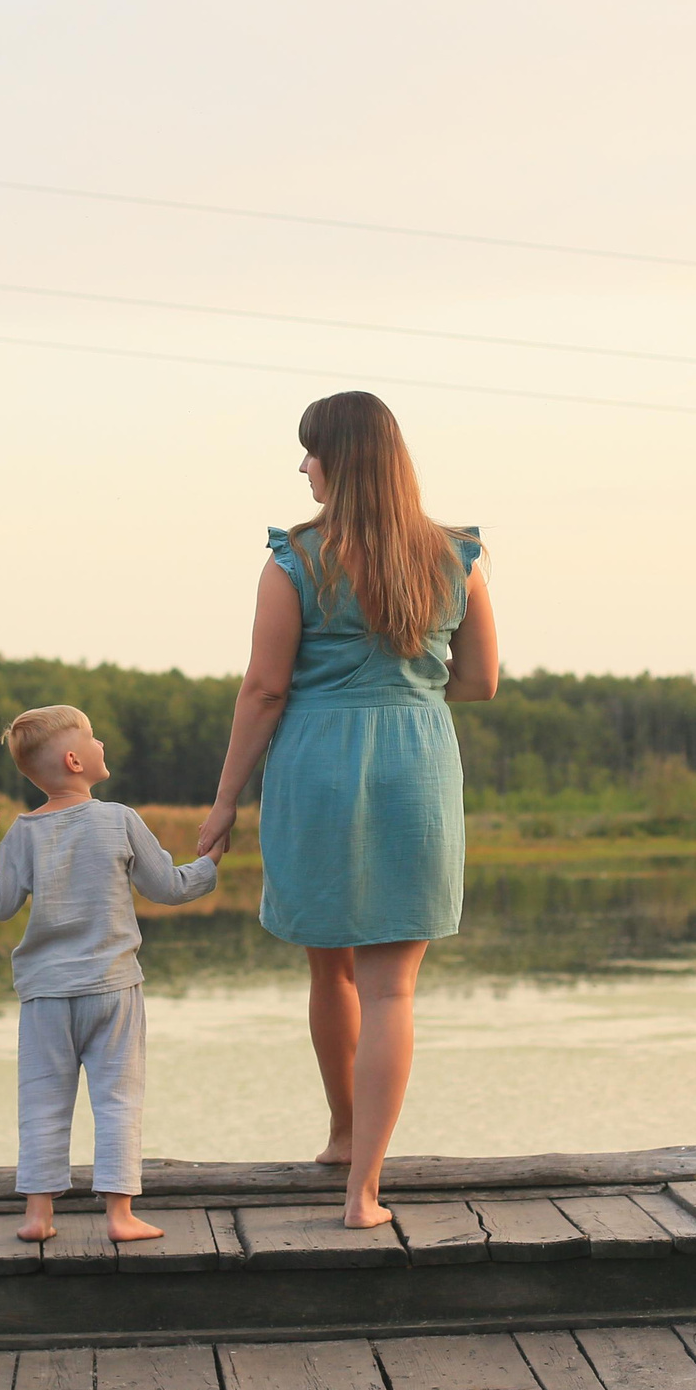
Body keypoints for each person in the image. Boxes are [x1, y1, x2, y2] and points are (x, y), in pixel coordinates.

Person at [196, 391, 498, 1229]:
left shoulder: (294, 557)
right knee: (392, 988)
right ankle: (365, 1186)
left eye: (310, 452)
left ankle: (339, 1132)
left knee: (329, 962)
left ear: (341, 459)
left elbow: (263, 688)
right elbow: (481, 680)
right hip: (417, 762)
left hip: (317, 762)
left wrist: (224, 801)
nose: (303, 467)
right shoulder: (453, 555)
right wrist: (408, 689)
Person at [0, 705, 218, 1244]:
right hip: (113, 988)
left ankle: (37, 1215)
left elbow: (2, 902)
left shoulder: (25, 833)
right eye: (94, 738)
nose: (103, 745)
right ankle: (120, 1216)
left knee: (41, 1099)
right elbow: (168, 887)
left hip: (46, 995)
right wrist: (209, 864)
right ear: (76, 760)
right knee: (118, 1098)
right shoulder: (119, 818)